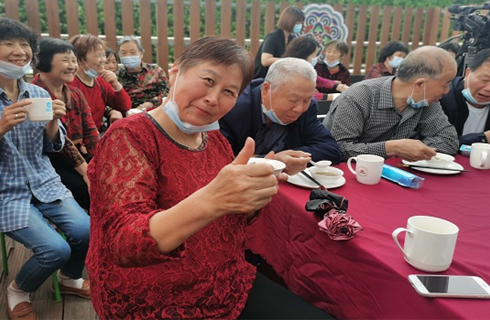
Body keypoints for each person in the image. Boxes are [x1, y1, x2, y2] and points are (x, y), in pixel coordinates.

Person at [86, 36, 333, 320]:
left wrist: (250, 195)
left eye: (229, 91)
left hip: (224, 280)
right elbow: (124, 244)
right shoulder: (129, 136)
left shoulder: (215, 141)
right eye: (208, 80)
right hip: (156, 297)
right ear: (176, 71)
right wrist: (212, 199)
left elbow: (231, 218)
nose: (213, 98)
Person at [0, 17, 90, 320]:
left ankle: (68, 278)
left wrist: (54, 122)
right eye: (9, 44)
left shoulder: (38, 94)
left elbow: (52, 147)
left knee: (86, 230)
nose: (19, 51)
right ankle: (18, 290)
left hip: (43, 180)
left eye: (24, 44)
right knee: (55, 248)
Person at [324, 46, 460, 161]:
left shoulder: (425, 101)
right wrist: (393, 148)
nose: (447, 91)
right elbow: (339, 150)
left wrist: (416, 149)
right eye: (446, 84)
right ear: (419, 84)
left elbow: (449, 140)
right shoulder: (358, 97)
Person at [220, 57, 342, 175]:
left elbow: (331, 149)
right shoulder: (234, 107)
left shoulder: (308, 109)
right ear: (266, 89)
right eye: (293, 100)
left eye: (306, 100)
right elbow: (218, 162)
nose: (299, 109)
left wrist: (290, 158)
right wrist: (273, 162)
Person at [32, 37, 100, 210]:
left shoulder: (75, 93)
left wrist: (100, 161)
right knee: (90, 191)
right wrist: (86, 171)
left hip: (78, 157)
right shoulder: (34, 96)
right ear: (44, 61)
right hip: (48, 163)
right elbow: (58, 144)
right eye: (65, 60)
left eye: (73, 60)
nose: (72, 66)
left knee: (111, 181)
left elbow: (91, 132)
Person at [68, 34, 131, 132]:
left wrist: (116, 84)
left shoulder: (100, 81)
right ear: (80, 59)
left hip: (97, 135)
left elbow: (124, 106)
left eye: (103, 55)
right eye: (98, 55)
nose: (103, 60)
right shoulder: (70, 84)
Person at [440, 47, 490, 145]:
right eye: (484, 80)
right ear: (467, 73)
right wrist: (487, 137)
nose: (489, 88)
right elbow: (433, 142)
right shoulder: (441, 96)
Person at [282, 36, 348, 101]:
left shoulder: (301, 69)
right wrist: (332, 96)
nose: (316, 58)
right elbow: (303, 96)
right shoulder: (289, 73)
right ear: (304, 56)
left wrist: (339, 86)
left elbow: (317, 80)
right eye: (314, 55)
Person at [116, 35, 169, 110]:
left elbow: (166, 94)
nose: (128, 56)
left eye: (133, 52)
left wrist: (150, 104)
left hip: (155, 112)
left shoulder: (156, 71)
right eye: (123, 53)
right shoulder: (117, 76)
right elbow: (111, 100)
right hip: (128, 115)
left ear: (141, 53)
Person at [254, 6, 304, 79]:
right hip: (261, 78)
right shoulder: (273, 37)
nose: (299, 25)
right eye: (297, 23)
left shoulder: (291, 38)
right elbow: (265, 60)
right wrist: (288, 61)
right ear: (289, 21)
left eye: (300, 23)